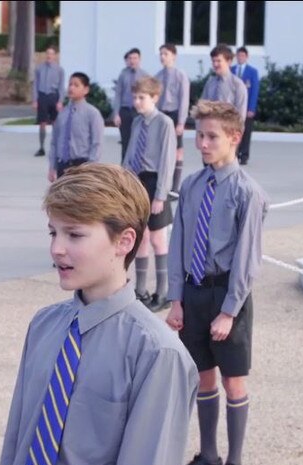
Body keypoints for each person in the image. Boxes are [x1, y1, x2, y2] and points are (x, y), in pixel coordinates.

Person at [0, 163, 198, 465]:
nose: (56, 249)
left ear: (124, 241)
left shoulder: (158, 354)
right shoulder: (44, 326)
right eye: (53, 232)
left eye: (74, 234)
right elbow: (16, 444)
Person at [166, 101, 268, 465]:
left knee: (233, 382)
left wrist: (228, 311)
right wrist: (176, 299)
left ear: (234, 138)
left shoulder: (247, 192)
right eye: (199, 135)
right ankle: (208, 457)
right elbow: (178, 242)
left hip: (228, 296)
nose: (202, 144)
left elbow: (246, 260)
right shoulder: (192, 185)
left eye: (211, 137)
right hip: (193, 294)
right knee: (203, 378)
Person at [122, 77, 176, 312]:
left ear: (155, 98)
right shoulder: (137, 123)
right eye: (135, 98)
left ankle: (163, 292)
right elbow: (130, 152)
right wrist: (122, 181)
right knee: (141, 236)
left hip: (156, 182)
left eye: (141, 98)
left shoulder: (164, 123)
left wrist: (161, 195)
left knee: (158, 239)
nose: (137, 102)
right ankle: (141, 290)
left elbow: (167, 161)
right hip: (137, 180)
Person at [48, 72, 104, 181]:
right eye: (70, 84)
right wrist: (52, 167)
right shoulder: (62, 113)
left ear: (86, 89)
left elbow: (97, 143)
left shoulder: (92, 114)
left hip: (81, 166)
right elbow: (54, 142)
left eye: (76, 85)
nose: (71, 88)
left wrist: (91, 168)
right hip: (62, 165)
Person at [155, 43, 190, 197]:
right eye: (161, 54)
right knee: (161, 150)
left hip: (175, 114)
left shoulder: (180, 75)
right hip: (162, 115)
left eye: (166, 54)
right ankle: (162, 184)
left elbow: (184, 99)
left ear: (173, 56)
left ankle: (174, 187)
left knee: (177, 151)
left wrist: (181, 122)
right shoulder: (157, 76)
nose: (162, 57)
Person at [113, 48, 149, 161]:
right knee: (125, 141)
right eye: (130, 58)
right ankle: (124, 168)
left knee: (138, 139)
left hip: (138, 111)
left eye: (135, 58)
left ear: (140, 59)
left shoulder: (144, 76)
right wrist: (116, 114)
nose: (132, 60)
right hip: (125, 111)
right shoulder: (123, 74)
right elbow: (118, 94)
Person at [32, 45, 65, 157]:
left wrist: (60, 101)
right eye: (47, 53)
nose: (49, 56)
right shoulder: (39, 68)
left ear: (54, 56)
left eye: (51, 54)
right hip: (42, 96)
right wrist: (35, 99)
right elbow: (35, 84)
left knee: (56, 123)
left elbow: (61, 87)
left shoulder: (59, 70)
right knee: (42, 123)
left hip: (53, 97)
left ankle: (56, 147)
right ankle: (41, 147)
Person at [201, 45, 247, 122]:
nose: (215, 64)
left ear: (229, 61)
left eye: (218, 61)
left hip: (228, 130)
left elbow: (240, 116)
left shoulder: (237, 85)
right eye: (213, 61)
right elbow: (202, 108)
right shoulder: (210, 83)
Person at [230, 47, 259, 165]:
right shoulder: (231, 70)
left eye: (242, 56)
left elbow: (255, 91)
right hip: (233, 107)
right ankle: (234, 154)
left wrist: (251, 108)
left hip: (246, 108)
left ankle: (244, 155)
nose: (240, 58)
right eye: (238, 55)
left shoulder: (252, 71)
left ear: (246, 57)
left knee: (246, 131)